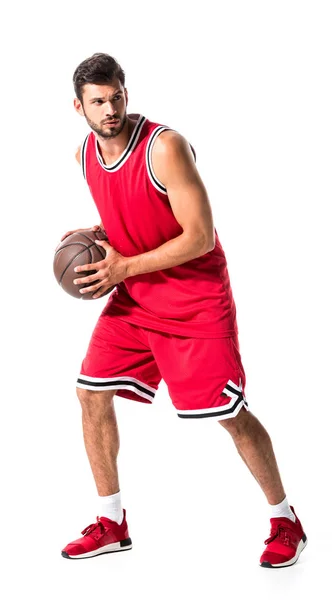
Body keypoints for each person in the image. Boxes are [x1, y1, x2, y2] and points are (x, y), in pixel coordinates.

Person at [60, 53, 307, 568]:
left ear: (127, 92)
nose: (109, 109)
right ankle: (111, 522)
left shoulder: (164, 147)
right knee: (90, 393)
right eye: (98, 102)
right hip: (136, 295)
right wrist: (97, 234)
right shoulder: (84, 153)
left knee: (231, 416)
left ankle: (286, 519)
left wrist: (124, 267)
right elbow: (139, 213)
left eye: (116, 97)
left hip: (194, 299)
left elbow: (199, 236)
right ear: (77, 106)